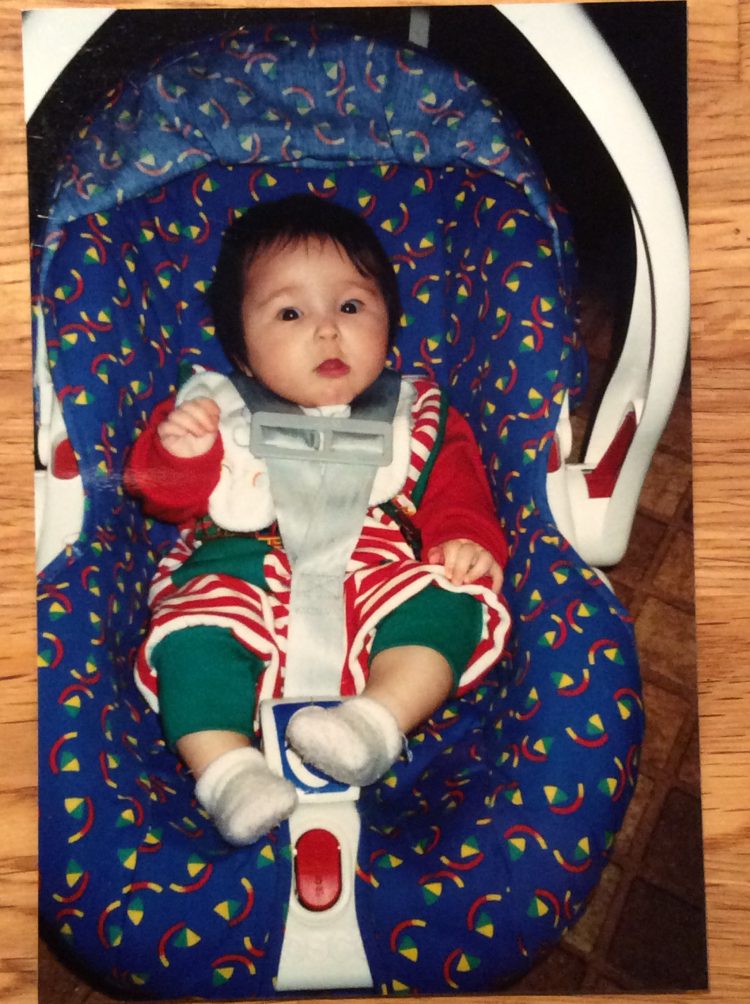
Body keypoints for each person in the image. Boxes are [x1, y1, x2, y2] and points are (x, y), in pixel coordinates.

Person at [125, 194, 510, 846]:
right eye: (290, 312)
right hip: (242, 573)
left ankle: (374, 724)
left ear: (390, 325)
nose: (328, 329)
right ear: (242, 354)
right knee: (190, 638)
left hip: (376, 573)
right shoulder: (213, 407)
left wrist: (463, 538)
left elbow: (459, 489)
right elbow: (164, 497)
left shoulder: (416, 413)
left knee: (450, 603)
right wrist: (179, 452)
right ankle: (226, 771)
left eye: (352, 306)